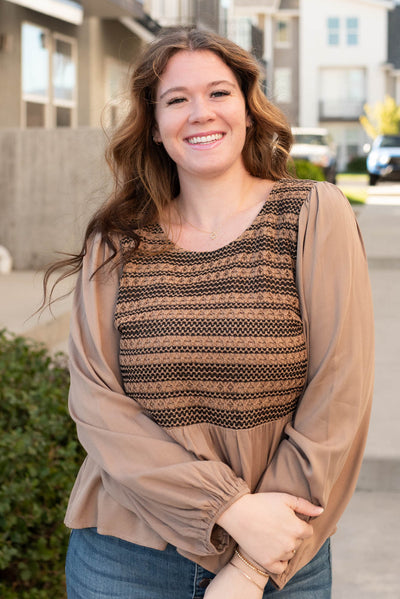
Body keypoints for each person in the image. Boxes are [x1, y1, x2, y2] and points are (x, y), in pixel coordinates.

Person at [46, 27, 374, 598]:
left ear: (249, 109)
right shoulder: (118, 239)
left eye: (219, 93)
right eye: (177, 99)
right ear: (154, 125)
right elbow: (96, 403)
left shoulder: (312, 215)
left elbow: (339, 396)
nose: (201, 113)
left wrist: (250, 567)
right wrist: (226, 507)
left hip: (280, 556)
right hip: (127, 558)